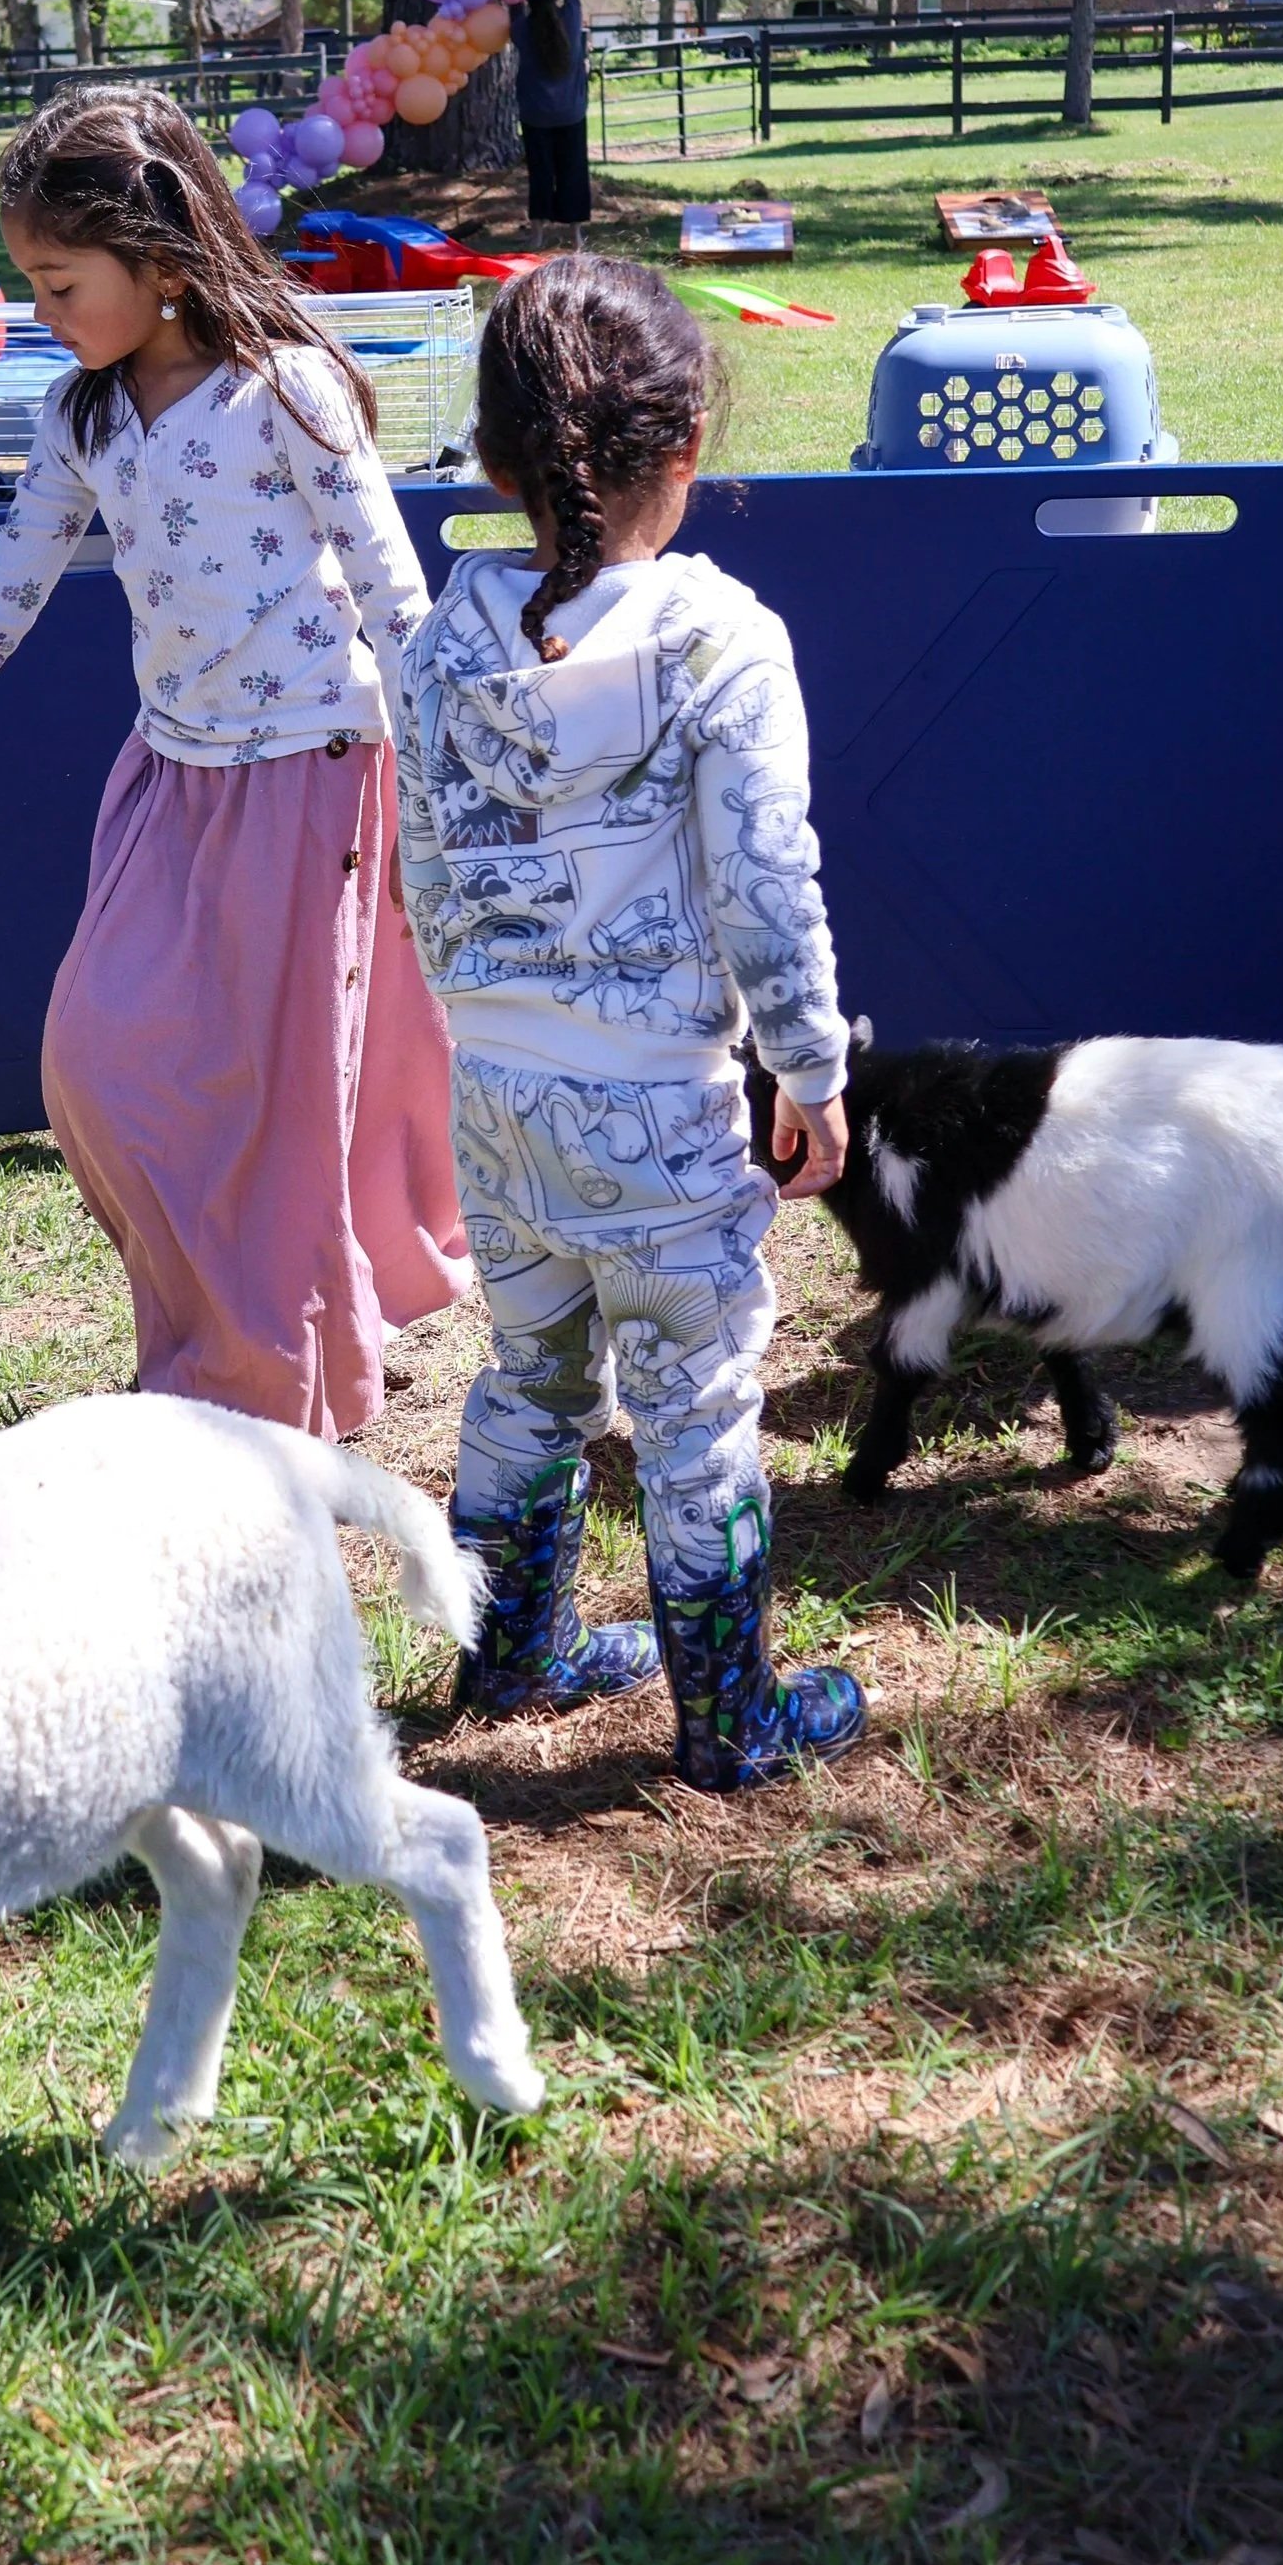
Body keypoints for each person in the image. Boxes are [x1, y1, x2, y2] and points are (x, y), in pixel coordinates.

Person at [0, 82, 468, 1438]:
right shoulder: (82, 421)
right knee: (97, 1059)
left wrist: (458, 770)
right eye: (33, 282)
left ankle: (265, 1384)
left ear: (162, 257)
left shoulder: (287, 392)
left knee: (285, 1105)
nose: (45, 313)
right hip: (172, 777)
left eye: (61, 281)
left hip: (314, 774)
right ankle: (225, 1344)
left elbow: (395, 598)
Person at [393, 251, 866, 1781]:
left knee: (530, 1371)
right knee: (694, 1401)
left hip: (498, 1095)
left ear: (494, 462)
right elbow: (766, 885)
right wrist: (810, 1067)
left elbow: (419, 877)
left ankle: (512, 1650)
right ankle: (731, 1718)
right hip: (660, 1112)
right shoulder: (722, 644)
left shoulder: (435, 645)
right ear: (687, 447)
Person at [509, 0, 591, 240]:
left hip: (536, 114)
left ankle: (538, 233)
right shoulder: (571, 18)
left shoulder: (521, 29)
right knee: (573, 170)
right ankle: (575, 234)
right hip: (571, 111)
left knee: (540, 172)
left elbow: (513, 7)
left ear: (530, 2)